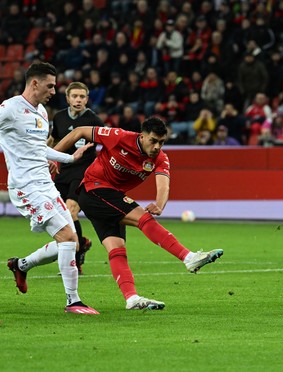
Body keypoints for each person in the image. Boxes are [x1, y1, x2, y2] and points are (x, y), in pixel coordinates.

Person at [30, 118, 223, 310]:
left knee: (117, 248)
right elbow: (80, 130)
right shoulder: (119, 136)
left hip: (109, 199)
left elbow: (164, 183)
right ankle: (188, 257)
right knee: (142, 217)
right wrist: (55, 157)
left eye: (162, 142)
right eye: (153, 140)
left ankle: (131, 298)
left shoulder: (160, 158)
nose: (157, 146)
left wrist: (160, 204)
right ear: (142, 136)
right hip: (93, 189)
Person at [1, 62, 98, 314]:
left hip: (45, 183)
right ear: (34, 83)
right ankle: (73, 301)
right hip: (26, 186)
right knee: (66, 237)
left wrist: (69, 158)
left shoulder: (42, 112)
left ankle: (20, 265)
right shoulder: (10, 109)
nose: (54, 91)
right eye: (50, 85)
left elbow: (38, 148)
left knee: (73, 243)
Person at [47, 82, 104, 274]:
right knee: (58, 215)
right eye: (75, 96)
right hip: (64, 171)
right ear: (68, 98)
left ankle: (76, 261)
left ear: (87, 99)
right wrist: (47, 157)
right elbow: (53, 139)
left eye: (82, 97)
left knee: (71, 211)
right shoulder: (59, 117)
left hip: (84, 171)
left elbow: (108, 144)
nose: (78, 100)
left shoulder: (94, 120)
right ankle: (82, 241)